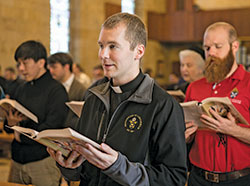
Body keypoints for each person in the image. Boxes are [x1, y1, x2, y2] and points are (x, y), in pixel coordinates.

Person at [48, 12, 187, 186]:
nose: (103, 55)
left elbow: (174, 179)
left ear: (138, 51)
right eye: (101, 45)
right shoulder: (93, 96)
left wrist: (118, 166)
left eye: (113, 46)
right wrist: (68, 165)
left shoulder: (163, 105)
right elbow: (85, 171)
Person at [185, 22, 250, 185]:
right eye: (207, 48)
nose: (211, 53)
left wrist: (233, 130)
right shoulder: (194, 87)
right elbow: (185, 136)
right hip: (198, 178)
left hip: (240, 179)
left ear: (234, 46)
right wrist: (185, 136)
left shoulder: (248, 83)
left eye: (217, 46)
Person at [3, 40, 69, 186]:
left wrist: (20, 134)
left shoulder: (56, 90)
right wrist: (11, 123)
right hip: (17, 159)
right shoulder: (21, 88)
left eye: (25, 64)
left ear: (40, 63)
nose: (20, 69)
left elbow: (52, 128)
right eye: (18, 64)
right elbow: (9, 124)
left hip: (42, 161)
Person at [47, 52, 87, 128]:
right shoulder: (52, 86)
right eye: (49, 68)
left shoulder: (80, 89)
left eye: (54, 67)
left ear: (66, 67)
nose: (51, 71)